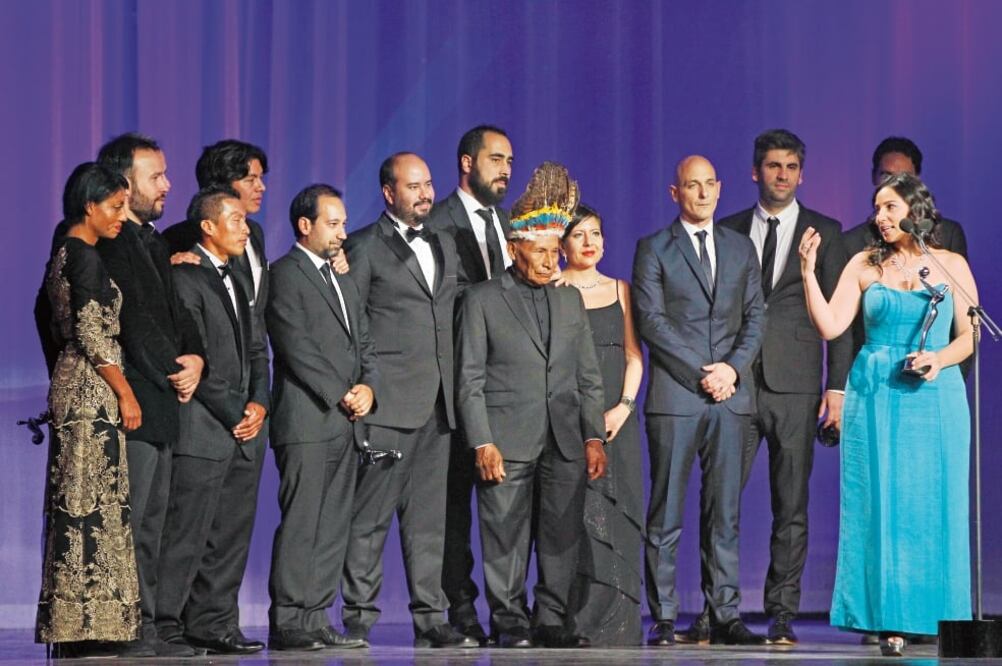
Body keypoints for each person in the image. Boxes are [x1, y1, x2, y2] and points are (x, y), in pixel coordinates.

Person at [798, 172, 975, 657]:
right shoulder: (863, 262)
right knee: (883, 506)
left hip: (936, 398)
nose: (880, 216)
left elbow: (970, 334)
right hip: (877, 393)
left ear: (916, 210)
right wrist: (808, 273)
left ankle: (941, 616)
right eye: (877, 207)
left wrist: (939, 359)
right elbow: (831, 324)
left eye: (890, 207)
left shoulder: (949, 264)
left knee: (934, 506)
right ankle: (890, 620)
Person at [688, 129, 849, 646]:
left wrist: (836, 388)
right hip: (735, 384)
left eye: (790, 167)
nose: (782, 175)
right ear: (755, 171)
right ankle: (717, 611)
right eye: (773, 166)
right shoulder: (728, 228)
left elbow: (839, 317)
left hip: (796, 385)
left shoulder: (826, 231)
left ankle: (782, 612)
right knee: (720, 500)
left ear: (801, 174)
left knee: (791, 505)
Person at [456, 162, 607, 649]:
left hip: (564, 439)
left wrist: (593, 436)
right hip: (506, 438)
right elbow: (469, 379)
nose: (549, 261)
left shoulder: (569, 301)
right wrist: (482, 441)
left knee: (562, 535)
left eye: (553, 251)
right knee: (504, 536)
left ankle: (551, 620)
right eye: (539, 251)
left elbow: (588, 377)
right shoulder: (481, 300)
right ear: (512, 249)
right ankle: (510, 621)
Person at [339, 154, 474, 648]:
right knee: (370, 519)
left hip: (438, 405)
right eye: (413, 186)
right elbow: (351, 325)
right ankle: (358, 617)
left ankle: (431, 617)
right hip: (388, 404)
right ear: (389, 193)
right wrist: (363, 387)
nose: (425, 194)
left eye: (428, 184)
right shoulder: (364, 247)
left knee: (428, 521)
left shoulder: (444, 242)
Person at [632, 155, 766, 647]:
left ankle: (725, 614)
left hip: (730, 396)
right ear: (676, 193)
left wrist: (732, 369)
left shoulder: (739, 247)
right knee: (666, 510)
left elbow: (756, 316)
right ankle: (664, 616)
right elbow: (652, 321)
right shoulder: (654, 248)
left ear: (720, 187)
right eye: (693, 185)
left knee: (724, 513)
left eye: (710, 183)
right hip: (677, 396)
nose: (703, 193)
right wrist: (702, 373)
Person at [95, 133, 206, 657]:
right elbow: (131, 320)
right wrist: (172, 366)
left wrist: (196, 358)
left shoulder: (154, 241)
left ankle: (151, 625)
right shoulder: (110, 242)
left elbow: (176, 314)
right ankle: (128, 628)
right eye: (155, 176)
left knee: (155, 522)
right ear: (123, 183)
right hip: (134, 398)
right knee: (131, 521)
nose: (167, 185)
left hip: (163, 399)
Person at [153, 187, 270, 655]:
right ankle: (165, 624)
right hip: (203, 427)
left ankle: (214, 623)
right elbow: (193, 354)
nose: (246, 229)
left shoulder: (237, 278)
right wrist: (235, 410)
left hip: (244, 428)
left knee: (229, 536)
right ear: (208, 226)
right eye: (236, 220)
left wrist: (259, 403)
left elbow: (257, 348)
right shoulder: (185, 277)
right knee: (186, 534)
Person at [36, 163, 140, 659]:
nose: (122, 216)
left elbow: (46, 319)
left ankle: (80, 625)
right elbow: (91, 331)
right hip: (92, 391)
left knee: (79, 502)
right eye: (115, 207)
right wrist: (125, 392)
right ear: (89, 206)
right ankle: (85, 628)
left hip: (72, 383)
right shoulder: (83, 255)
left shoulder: (63, 252)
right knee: (90, 507)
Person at [266, 184, 375, 652]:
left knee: (332, 524)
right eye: (333, 224)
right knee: (302, 522)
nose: (342, 233)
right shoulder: (284, 274)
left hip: (345, 422)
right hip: (307, 419)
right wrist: (341, 393)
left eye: (344, 224)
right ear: (304, 225)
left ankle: (315, 617)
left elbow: (363, 341)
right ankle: (289, 620)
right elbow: (295, 346)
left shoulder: (342, 275)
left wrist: (368, 387)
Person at [427, 124, 514, 644]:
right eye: (495, 159)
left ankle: (511, 608)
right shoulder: (436, 223)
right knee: (453, 507)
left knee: (508, 505)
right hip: (455, 385)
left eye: (509, 161)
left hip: (507, 386)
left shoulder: (509, 223)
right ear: (466, 163)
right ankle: (459, 607)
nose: (505, 169)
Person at [559, 203, 644, 646]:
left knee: (619, 512)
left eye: (595, 233)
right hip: (570, 418)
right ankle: (578, 621)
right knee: (578, 518)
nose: (589, 242)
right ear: (562, 244)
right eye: (578, 234)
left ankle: (620, 619)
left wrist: (623, 408)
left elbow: (634, 356)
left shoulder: (620, 289)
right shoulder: (554, 289)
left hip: (617, 420)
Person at [845, 137, 970, 392]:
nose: (895, 184)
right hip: (873, 377)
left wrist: (948, 369)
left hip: (936, 375)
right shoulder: (853, 243)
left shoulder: (948, 237)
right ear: (874, 177)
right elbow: (840, 328)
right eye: (886, 175)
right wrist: (839, 386)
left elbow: (964, 326)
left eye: (904, 177)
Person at [163, 140, 273, 316]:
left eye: (260, 178)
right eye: (250, 180)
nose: (261, 187)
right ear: (222, 185)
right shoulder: (180, 236)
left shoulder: (255, 231)